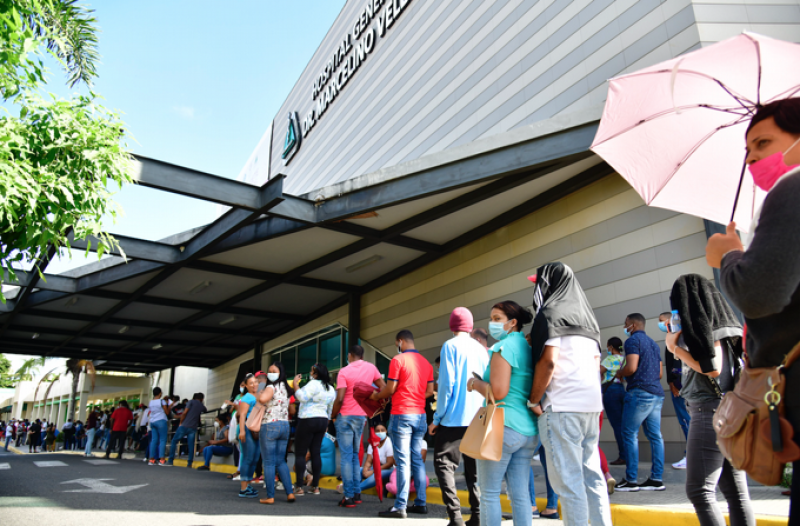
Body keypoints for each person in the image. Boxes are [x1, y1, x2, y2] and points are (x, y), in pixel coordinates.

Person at [705, 98, 800, 525]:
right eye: (747, 149)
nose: (751, 158)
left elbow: (758, 294)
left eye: (763, 142)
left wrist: (729, 257)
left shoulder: (792, 187)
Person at [527, 263, 612, 526]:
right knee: (592, 477)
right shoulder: (589, 319)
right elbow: (596, 363)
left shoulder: (550, 314)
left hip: (562, 408)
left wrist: (533, 400)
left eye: (538, 284)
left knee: (569, 483)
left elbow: (548, 362)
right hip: (591, 408)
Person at [666, 274, 754, 526]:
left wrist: (675, 348)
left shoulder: (708, 328)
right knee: (736, 492)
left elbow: (712, 368)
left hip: (709, 411)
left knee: (699, 491)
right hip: (729, 410)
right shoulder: (728, 327)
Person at [467, 300, 537, 526]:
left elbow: (498, 392)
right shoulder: (527, 347)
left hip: (502, 427)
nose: (492, 324)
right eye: (491, 319)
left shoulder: (502, 348)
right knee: (520, 495)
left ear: (513, 322)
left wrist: (474, 383)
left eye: (497, 319)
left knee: (488, 493)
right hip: (527, 430)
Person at [429, 307, 487, 526]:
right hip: (478, 417)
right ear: (470, 326)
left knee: (444, 464)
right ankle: (478, 515)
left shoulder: (450, 346)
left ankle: (455, 517)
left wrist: (437, 418)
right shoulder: (481, 348)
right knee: (474, 470)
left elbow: (446, 385)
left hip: (454, 418)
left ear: (452, 325)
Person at [370, 330, 434, 519]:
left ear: (400, 341)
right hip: (420, 415)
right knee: (417, 460)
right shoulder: (426, 363)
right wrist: (415, 396)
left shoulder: (397, 360)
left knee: (403, 461)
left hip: (402, 414)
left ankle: (400, 506)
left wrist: (376, 396)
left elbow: (390, 389)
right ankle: (420, 503)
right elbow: (430, 391)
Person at [615, 312, 666, 492]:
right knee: (655, 436)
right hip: (656, 393)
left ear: (633, 325)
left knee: (629, 434)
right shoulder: (653, 343)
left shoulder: (632, 341)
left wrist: (620, 372)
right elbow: (660, 373)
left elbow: (631, 368)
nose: (625, 327)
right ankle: (656, 479)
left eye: (626, 323)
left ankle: (631, 480)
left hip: (639, 393)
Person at [331, 345, 385, 508]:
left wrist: (332, 415)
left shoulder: (344, 371)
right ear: (362, 356)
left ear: (350, 355)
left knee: (346, 456)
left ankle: (348, 496)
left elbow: (340, 398)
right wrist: (372, 398)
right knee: (355, 455)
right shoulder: (371, 368)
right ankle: (356, 492)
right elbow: (383, 387)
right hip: (361, 416)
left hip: (345, 416)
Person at [292, 363, 336, 495]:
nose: (310, 373)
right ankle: (315, 487)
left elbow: (302, 397)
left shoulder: (313, 384)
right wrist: (327, 421)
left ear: (316, 374)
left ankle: (299, 487)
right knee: (315, 452)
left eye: (312, 371)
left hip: (307, 419)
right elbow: (330, 408)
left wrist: (295, 384)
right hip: (322, 420)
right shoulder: (330, 388)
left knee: (300, 453)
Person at [257, 363, 296, 504]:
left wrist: (260, 392)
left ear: (281, 372)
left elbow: (262, 399)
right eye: (269, 371)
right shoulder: (286, 389)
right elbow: (292, 410)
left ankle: (270, 496)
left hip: (270, 425)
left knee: (268, 462)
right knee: (281, 461)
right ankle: (290, 493)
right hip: (284, 425)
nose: (271, 373)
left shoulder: (271, 387)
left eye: (274, 371)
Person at [659, 311, 691, 470]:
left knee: (686, 421)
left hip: (681, 387)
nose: (661, 324)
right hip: (684, 385)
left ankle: (691, 456)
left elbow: (677, 365)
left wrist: (674, 383)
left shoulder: (676, 339)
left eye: (662, 321)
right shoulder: (674, 338)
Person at [601, 337, 627, 466]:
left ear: (611, 347)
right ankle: (628, 454)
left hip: (610, 391)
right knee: (624, 425)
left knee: (617, 425)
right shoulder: (624, 359)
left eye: (608, 346)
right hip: (622, 389)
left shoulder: (609, 359)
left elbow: (597, 371)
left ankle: (623, 456)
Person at [165, 392, 206, 467]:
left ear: (194, 397)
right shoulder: (201, 405)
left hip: (184, 425)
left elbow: (184, 412)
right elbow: (205, 410)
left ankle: (170, 460)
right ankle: (189, 463)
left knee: (174, 441)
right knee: (191, 445)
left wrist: (181, 422)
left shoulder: (191, 402)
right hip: (193, 427)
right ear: (202, 399)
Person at [360, 423, 395, 492]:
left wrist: (373, 471)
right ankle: (352, 486)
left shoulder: (389, 442)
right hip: (377, 467)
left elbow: (389, 463)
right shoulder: (372, 442)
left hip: (389, 469)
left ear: (386, 431)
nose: (380, 432)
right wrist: (365, 469)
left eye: (382, 430)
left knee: (377, 474)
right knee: (359, 470)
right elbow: (369, 461)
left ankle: (356, 489)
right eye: (377, 431)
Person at [143, 387, 172, 466]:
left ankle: (151, 460)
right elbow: (167, 412)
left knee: (154, 440)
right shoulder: (162, 401)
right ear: (160, 393)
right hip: (161, 421)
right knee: (162, 440)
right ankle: (162, 460)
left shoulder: (151, 402)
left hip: (152, 422)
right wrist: (170, 406)